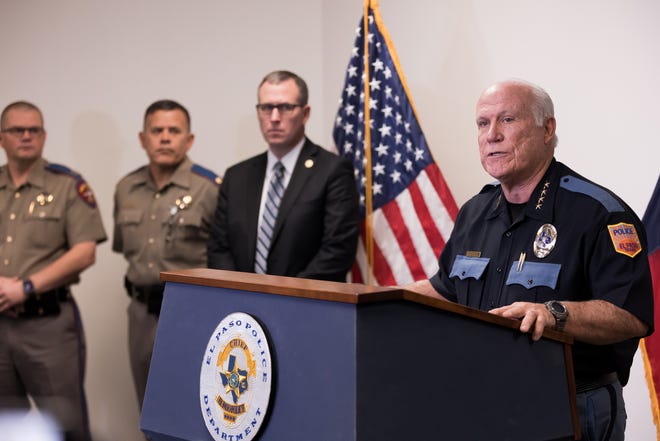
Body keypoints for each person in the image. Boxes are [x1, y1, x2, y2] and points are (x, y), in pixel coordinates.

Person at [407, 80, 653, 441]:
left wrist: (555, 314)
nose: (491, 135)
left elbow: (630, 315)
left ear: (547, 129)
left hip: (571, 403)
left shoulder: (600, 214)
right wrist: (376, 300)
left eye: (507, 120)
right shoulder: (475, 212)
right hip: (483, 400)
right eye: (482, 123)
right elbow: (446, 290)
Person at [0, 101, 107, 441]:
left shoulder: (67, 186)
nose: (27, 136)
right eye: (18, 130)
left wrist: (27, 286)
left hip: (48, 326)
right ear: (2, 138)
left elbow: (85, 251)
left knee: (66, 426)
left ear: (44, 136)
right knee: (6, 425)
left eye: (35, 130)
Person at [112, 100, 221, 409]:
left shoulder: (209, 188)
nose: (164, 137)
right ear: (142, 138)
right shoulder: (125, 188)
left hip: (193, 312)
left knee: (197, 407)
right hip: (141, 313)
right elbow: (125, 249)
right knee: (149, 408)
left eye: (174, 131)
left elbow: (226, 258)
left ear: (189, 140)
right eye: (156, 130)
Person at [207, 70, 359, 282]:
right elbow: (219, 248)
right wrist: (240, 292)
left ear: (305, 113)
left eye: (286, 108)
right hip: (242, 306)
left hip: (307, 304)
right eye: (267, 108)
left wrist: (285, 296)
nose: (275, 118)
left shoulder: (332, 171)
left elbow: (338, 250)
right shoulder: (237, 177)